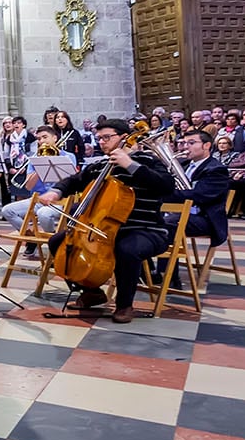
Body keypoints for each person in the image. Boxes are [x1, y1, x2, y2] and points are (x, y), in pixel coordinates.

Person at [37, 120, 175, 324]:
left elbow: (166, 186)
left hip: (145, 229)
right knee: (58, 242)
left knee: (126, 249)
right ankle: (91, 291)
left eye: (106, 137)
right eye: (99, 138)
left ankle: (124, 304)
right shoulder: (100, 165)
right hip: (103, 230)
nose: (101, 142)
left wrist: (129, 164)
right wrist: (55, 191)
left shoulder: (148, 160)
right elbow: (74, 180)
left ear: (123, 137)